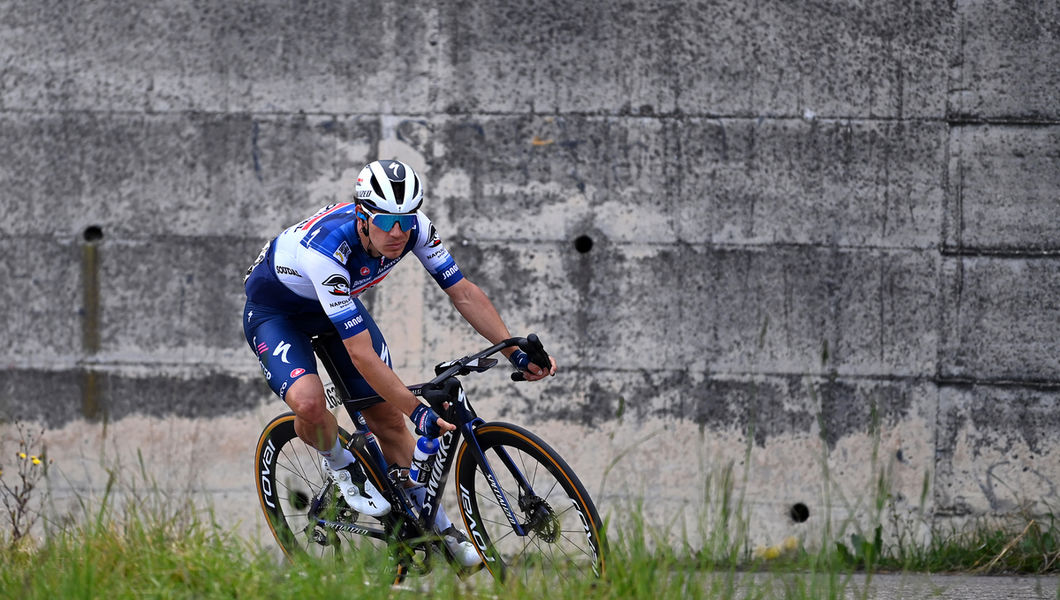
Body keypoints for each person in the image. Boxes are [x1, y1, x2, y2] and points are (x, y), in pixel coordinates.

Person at [241, 159, 557, 567]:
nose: (396, 232)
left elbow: (462, 292)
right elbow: (361, 354)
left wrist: (512, 349)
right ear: (362, 216)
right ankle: (341, 465)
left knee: (388, 422)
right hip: (276, 314)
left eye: (405, 220)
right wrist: (418, 411)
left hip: (335, 310)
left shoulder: (416, 230)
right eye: (386, 220)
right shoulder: (326, 252)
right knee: (308, 402)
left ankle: (440, 532)